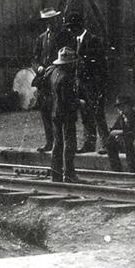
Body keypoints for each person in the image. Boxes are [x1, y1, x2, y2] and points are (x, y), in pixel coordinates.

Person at [66, 11, 110, 153]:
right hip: (80, 85)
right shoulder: (75, 41)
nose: (70, 30)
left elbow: (101, 65)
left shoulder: (93, 40)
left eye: (71, 27)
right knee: (85, 115)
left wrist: (99, 87)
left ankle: (106, 145)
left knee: (98, 115)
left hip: (93, 85)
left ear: (78, 27)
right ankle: (89, 144)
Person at [42, 46, 82, 182]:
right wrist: (79, 103)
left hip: (54, 112)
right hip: (66, 113)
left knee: (57, 143)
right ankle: (69, 174)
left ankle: (56, 174)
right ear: (70, 63)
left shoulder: (52, 73)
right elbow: (68, 100)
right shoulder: (67, 77)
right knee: (69, 143)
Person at [31, 8, 63, 152]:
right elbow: (35, 58)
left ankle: (58, 142)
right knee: (44, 111)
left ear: (55, 20)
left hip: (56, 77)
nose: (49, 23)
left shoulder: (62, 36)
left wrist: (53, 67)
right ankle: (49, 142)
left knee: (56, 111)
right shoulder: (41, 38)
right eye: (46, 21)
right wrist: (38, 68)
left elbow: (65, 56)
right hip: (43, 79)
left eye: (51, 20)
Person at [105, 94, 135, 173]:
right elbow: (113, 130)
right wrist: (116, 136)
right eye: (118, 107)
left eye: (122, 106)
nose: (120, 109)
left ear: (129, 106)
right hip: (122, 142)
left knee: (128, 142)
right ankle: (116, 170)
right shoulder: (121, 118)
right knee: (110, 144)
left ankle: (133, 170)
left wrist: (122, 133)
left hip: (134, 143)